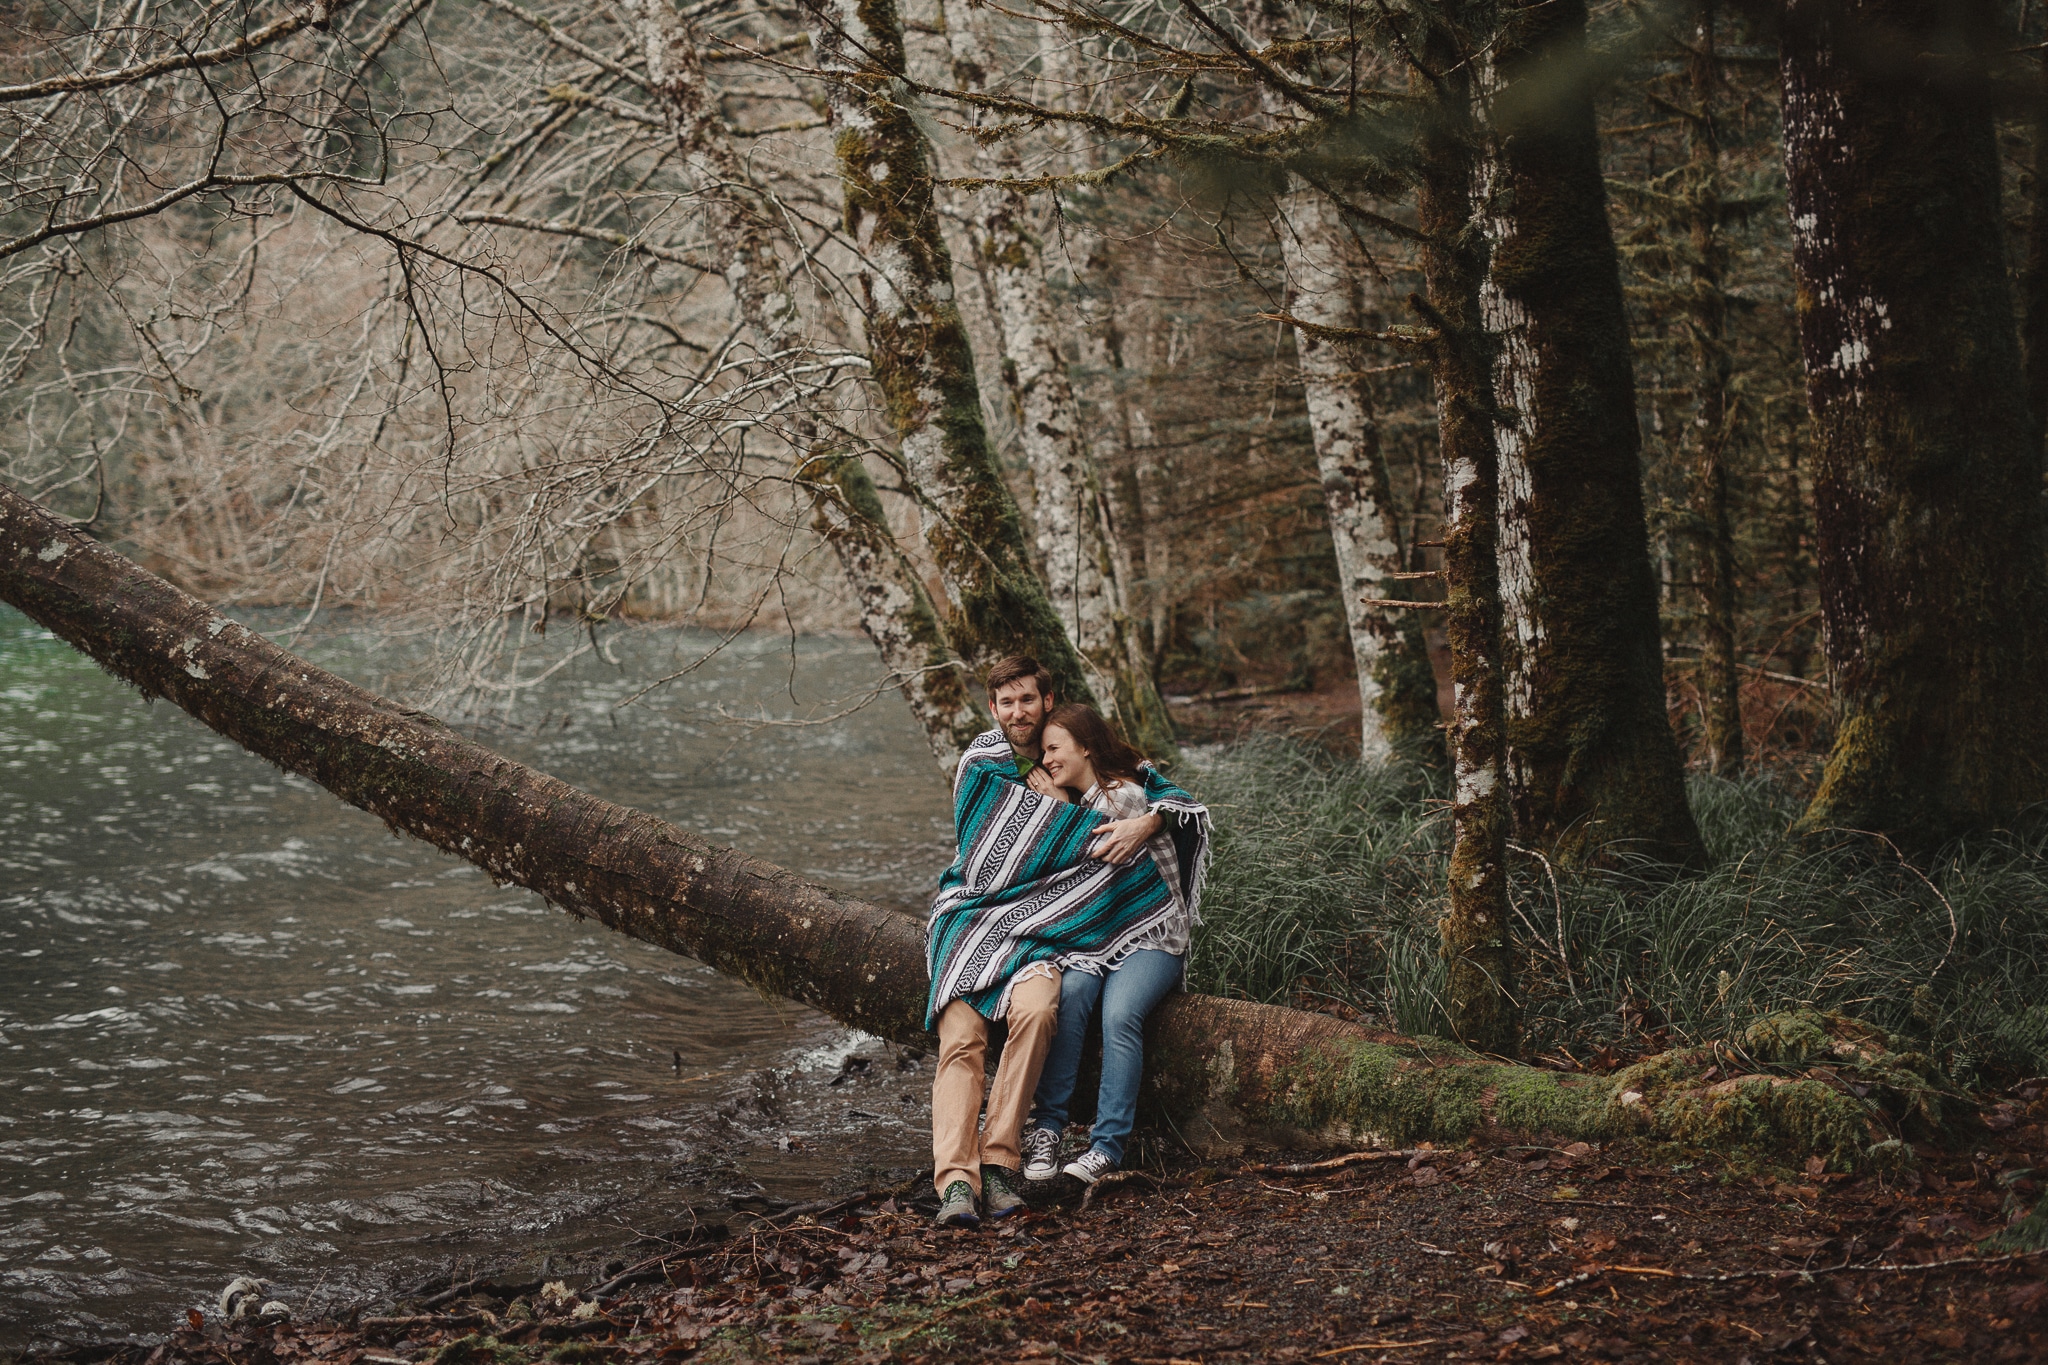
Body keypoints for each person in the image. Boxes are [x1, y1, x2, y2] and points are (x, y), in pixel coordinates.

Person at [923, 659, 1191, 1228]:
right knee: (963, 1039)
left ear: (1048, 699)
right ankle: (955, 1184)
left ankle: (998, 1165)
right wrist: (1060, 813)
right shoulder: (982, 764)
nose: (1017, 712)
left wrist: (1149, 822)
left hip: (1052, 933)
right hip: (974, 921)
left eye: (1026, 700)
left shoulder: (1080, 747)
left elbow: (1166, 797)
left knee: (1042, 1011)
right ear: (992, 710)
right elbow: (990, 856)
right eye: (1006, 703)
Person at [1019, 703, 1206, 1187]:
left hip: (1153, 936)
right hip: (1098, 939)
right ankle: (1048, 1128)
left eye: (1054, 749)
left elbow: (1082, 859)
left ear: (1085, 746)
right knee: (1073, 995)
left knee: (1120, 1014)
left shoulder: (1120, 798)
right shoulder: (1082, 803)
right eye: (1042, 753)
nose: (1047, 761)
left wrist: (1055, 808)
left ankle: (1106, 1147)